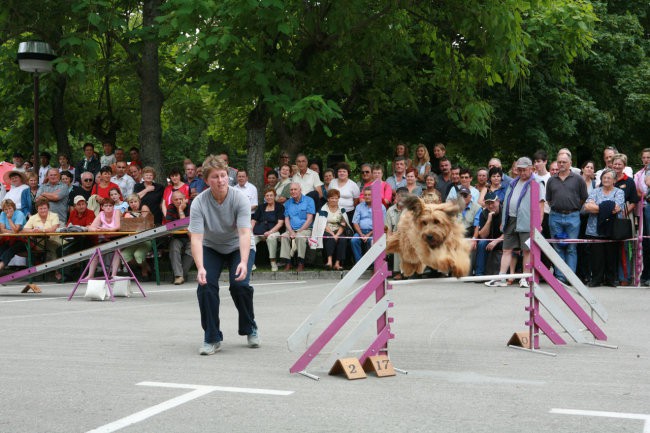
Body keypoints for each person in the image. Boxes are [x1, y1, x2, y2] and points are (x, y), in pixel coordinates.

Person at [189, 155, 259, 355]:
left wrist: (244, 262)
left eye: (223, 176)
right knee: (205, 287)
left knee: (240, 285)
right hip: (211, 246)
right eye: (214, 177)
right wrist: (200, 267)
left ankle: (249, 327)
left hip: (239, 245)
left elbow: (245, 232)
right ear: (206, 180)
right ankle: (212, 337)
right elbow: (196, 238)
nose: (220, 180)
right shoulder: (199, 203)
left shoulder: (240, 199)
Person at [485, 157, 544, 288]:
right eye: (519, 170)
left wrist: (538, 224)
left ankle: (525, 278)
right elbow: (507, 201)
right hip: (511, 219)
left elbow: (541, 205)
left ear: (531, 169)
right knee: (506, 249)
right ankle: (501, 278)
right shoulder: (513, 182)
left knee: (526, 250)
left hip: (527, 221)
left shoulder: (537, 182)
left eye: (524, 170)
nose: (521, 173)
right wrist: (504, 221)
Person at [546, 152, 588, 283]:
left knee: (571, 247)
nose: (561, 164)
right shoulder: (551, 180)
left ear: (570, 163)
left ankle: (571, 278)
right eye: (559, 162)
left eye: (564, 162)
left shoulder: (578, 179)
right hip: (555, 217)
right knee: (558, 247)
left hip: (573, 216)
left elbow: (583, 198)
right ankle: (560, 277)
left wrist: (572, 208)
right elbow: (549, 199)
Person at [583, 169, 625, 287]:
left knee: (611, 255)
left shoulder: (619, 192)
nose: (606, 180)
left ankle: (611, 279)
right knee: (596, 256)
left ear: (614, 181)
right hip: (594, 229)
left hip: (612, 228)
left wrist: (598, 207)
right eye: (604, 177)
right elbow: (587, 207)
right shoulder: (595, 191)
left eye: (609, 178)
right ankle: (596, 279)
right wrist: (607, 207)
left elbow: (617, 208)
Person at [611, 153, 639, 286]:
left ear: (624, 166)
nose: (617, 166)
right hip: (608, 217)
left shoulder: (629, 181)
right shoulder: (607, 178)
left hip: (624, 217)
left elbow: (634, 201)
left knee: (624, 248)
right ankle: (611, 276)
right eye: (615, 164)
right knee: (609, 247)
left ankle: (624, 277)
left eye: (619, 164)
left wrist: (623, 211)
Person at [310, 188, 350, 271]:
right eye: (332, 198)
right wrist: (333, 234)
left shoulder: (341, 209)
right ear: (328, 199)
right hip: (326, 230)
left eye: (336, 198)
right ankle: (329, 261)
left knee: (342, 239)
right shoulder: (323, 209)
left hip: (338, 230)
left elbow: (343, 224)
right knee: (330, 238)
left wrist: (337, 235)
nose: (334, 200)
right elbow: (322, 224)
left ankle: (337, 263)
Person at [279, 182, 316, 272]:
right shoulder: (287, 203)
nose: (293, 191)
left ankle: (301, 263)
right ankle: (288, 263)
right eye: (291, 190)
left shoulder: (309, 200)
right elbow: (287, 219)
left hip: (305, 229)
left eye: (295, 189)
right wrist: (291, 232)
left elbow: (309, 219)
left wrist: (299, 231)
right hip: (291, 229)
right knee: (284, 236)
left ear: (300, 190)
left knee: (300, 237)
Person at [86, 198, 122, 279]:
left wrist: (107, 230)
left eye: (110, 205)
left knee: (117, 251)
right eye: (106, 206)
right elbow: (91, 228)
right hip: (104, 239)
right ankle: (90, 275)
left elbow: (117, 227)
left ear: (113, 207)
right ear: (102, 207)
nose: (108, 207)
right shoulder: (101, 214)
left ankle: (113, 275)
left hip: (116, 238)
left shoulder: (117, 212)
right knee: (95, 251)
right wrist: (96, 229)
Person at [251, 188, 285, 272]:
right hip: (260, 231)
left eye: (271, 195)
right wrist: (250, 231)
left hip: (274, 231)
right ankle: (250, 263)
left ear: (274, 196)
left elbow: (280, 223)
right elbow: (253, 220)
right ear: (264, 197)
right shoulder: (261, 207)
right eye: (267, 195)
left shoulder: (279, 207)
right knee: (249, 239)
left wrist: (269, 232)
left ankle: (273, 262)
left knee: (271, 238)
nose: (269, 197)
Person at [350, 187, 386, 262]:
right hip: (361, 231)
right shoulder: (359, 206)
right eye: (365, 195)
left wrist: (368, 234)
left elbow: (382, 224)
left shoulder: (381, 207)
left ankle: (372, 263)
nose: (367, 196)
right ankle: (359, 262)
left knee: (372, 241)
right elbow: (355, 222)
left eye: (369, 195)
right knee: (354, 240)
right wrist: (361, 234)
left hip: (374, 232)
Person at [472, 191, 503, 276]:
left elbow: (508, 232)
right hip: (489, 239)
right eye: (487, 203)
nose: (490, 206)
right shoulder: (484, 213)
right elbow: (482, 235)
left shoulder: (504, 212)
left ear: (498, 201)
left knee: (507, 244)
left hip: (502, 239)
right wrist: (489, 220)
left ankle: (502, 275)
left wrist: (496, 241)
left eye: (492, 203)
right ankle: (479, 273)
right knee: (482, 243)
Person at [385, 187, 409, 279]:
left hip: (409, 235)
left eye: (404, 196)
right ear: (396, 197)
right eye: (399, 196)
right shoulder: (390, 210)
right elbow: (388, 229)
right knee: (395, 242)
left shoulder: (411, 210)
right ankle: (397, 272)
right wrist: (389, 240)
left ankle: (405, 272)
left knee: (402, 242)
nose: (402, 198)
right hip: (395, 234)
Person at [0, 199, 26, 272]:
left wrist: (9, 219)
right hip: (9, 239)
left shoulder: (19, 214)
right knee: (1, 249)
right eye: (6, 209)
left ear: (13, 207)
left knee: (10, 251)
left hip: (22, 240)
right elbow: (2, 229)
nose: (8, 211)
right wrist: (13, 232)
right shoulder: (2, 214)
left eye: (10, 208)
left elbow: (16, 230)